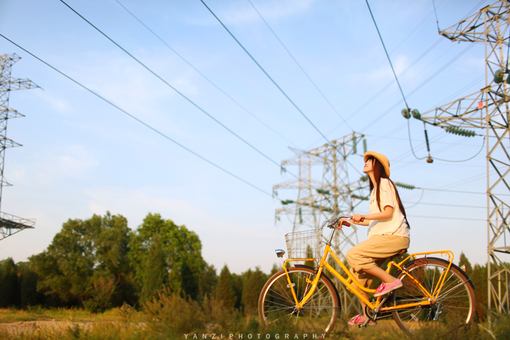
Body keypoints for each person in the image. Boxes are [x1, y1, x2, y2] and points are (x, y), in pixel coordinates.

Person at [344, 151, 410, 326]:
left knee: (353, 255)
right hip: (382, 237)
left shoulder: (384, 184)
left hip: (393, 236)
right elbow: (376, 220)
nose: (366, 162)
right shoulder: (374, 192)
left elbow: (388, 213)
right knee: (356, 280)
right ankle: (367, 316)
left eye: (370, 160)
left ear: (378, 165)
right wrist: (351, 220)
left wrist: (363, 215)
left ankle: (391, 281)